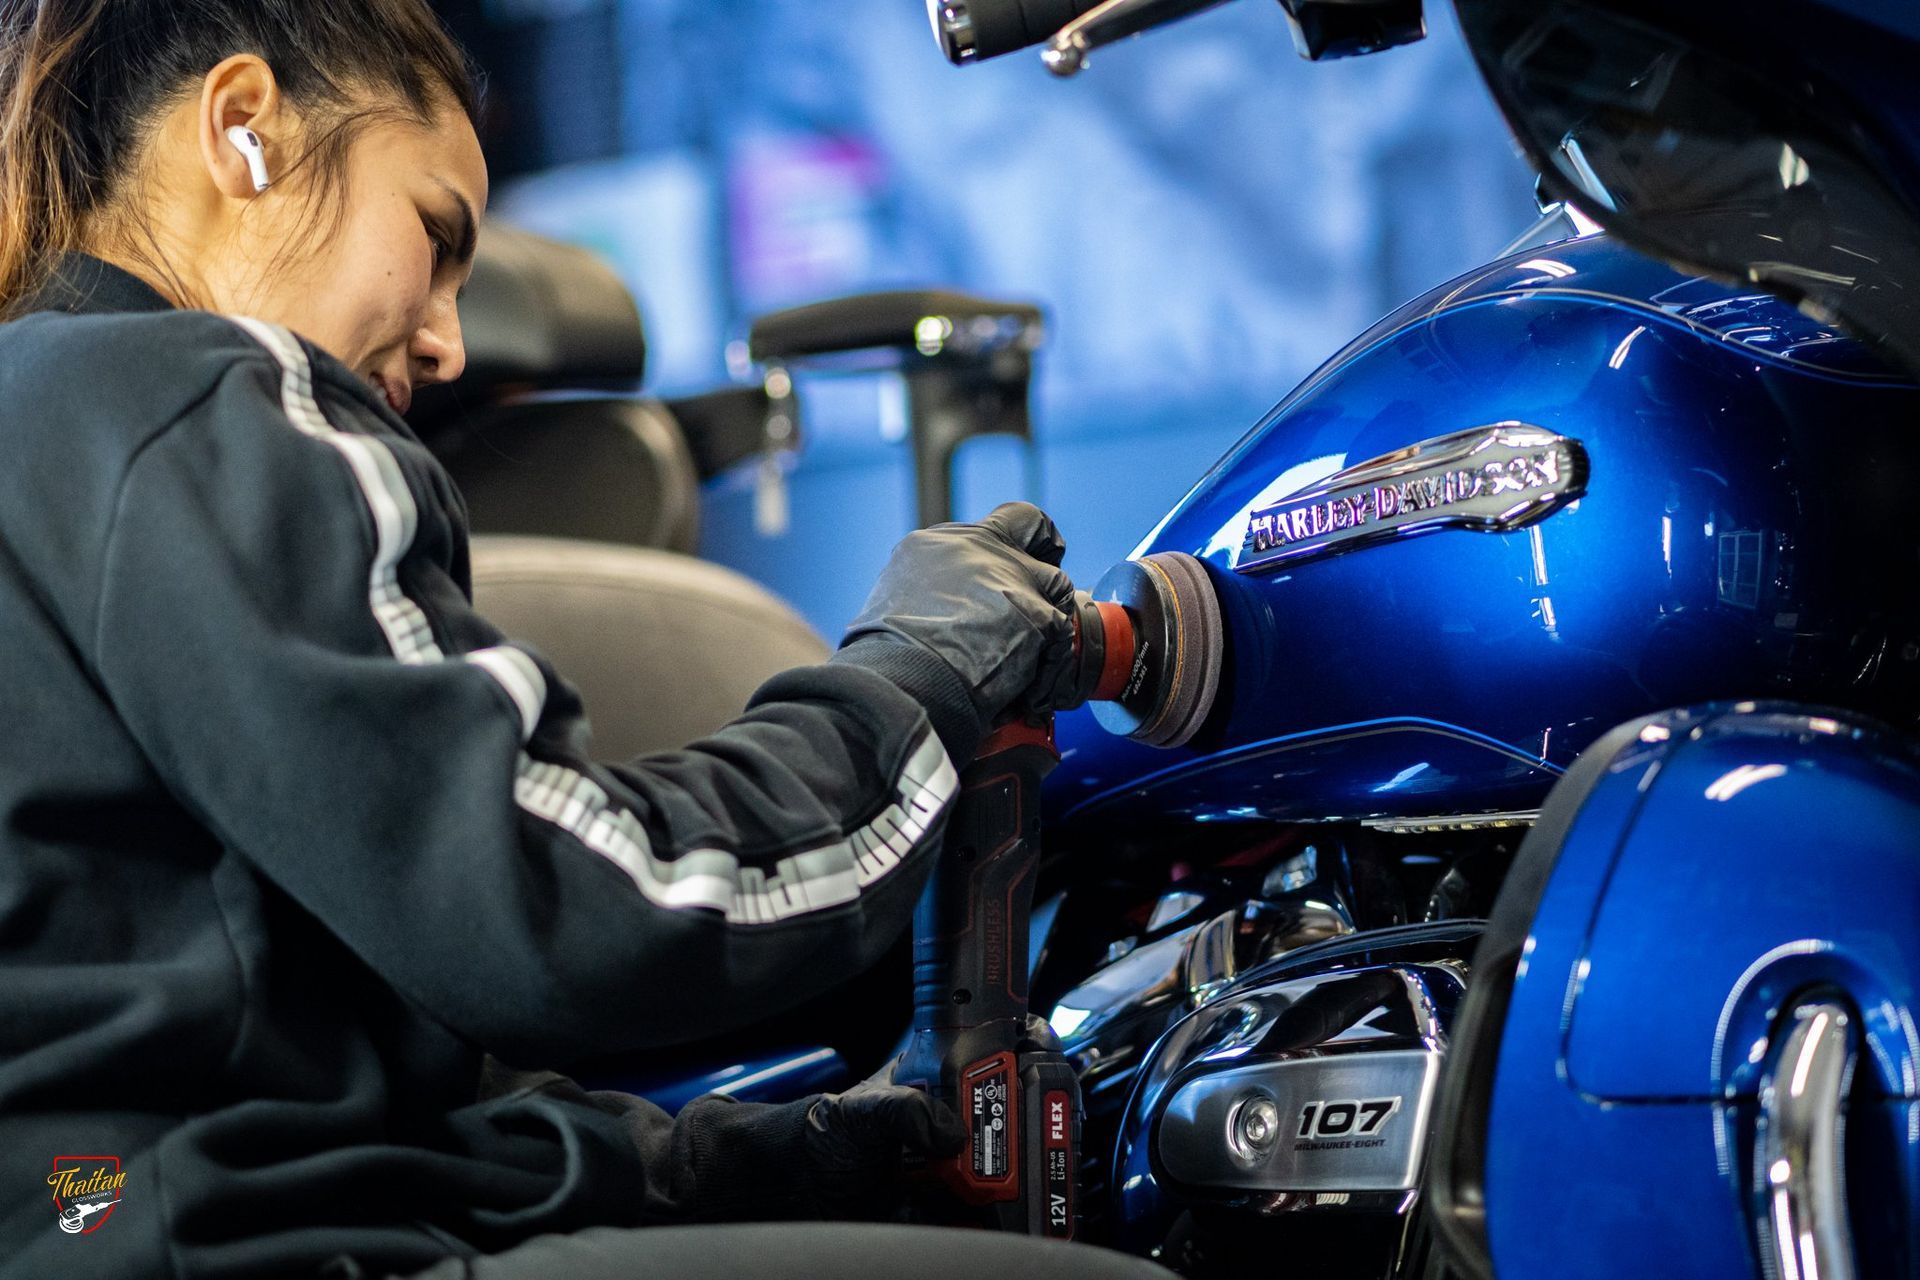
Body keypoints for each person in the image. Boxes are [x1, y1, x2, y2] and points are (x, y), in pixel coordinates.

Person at [0, 4, 1166, 1278]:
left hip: (91, 1213)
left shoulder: (47, 420)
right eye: (435, 234)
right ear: (243, 130)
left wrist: (769, 1158)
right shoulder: (206, 398)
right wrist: (920, 677)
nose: (445, 342)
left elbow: (347, 1098)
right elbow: (578, 911)